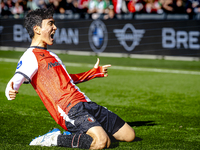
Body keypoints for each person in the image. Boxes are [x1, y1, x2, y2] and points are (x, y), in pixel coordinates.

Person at [5, 6, 135, 149]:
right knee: (102, 142)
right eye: (50, 24)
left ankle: (86, 132)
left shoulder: (52, 55)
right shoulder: (30, 57)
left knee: (129, 135)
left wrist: (93, 72)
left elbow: (66, 79)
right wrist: (10, 90)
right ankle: (55, 139)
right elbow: (14, 80)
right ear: (37, 29)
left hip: (85, 102)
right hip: (69, 109)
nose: (55, 27)